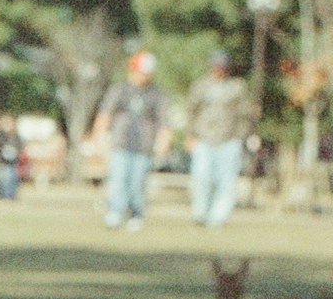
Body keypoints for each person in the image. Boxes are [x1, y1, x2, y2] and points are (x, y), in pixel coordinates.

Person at [92, 50, 169, 230]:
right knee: (117, 179)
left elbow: (164, 121)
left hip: (143, 146)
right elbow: (105, 114)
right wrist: (98, 135)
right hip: (121, 143)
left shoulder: (156, 94)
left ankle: (136, 213)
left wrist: (163, 141)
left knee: (137, 182)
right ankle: (115, 211)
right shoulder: (119, 90)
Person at [183, 51, 250, 227]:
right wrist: (189, 135)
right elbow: (191, 111)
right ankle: (200, 213)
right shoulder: (200, 86)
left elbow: (245, 114)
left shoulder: (237, 87)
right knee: (202, 178)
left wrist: (241, 136)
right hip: (204, 138)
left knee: (226, 182)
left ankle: (218, 217)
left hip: (228, 140)